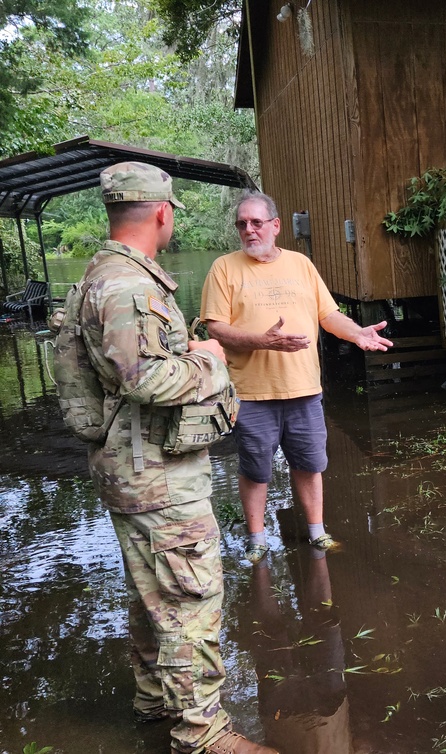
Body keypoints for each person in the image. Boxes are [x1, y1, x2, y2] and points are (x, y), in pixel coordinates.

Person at [76, 163, 277, 754]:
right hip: (157, 474)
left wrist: (182, 350)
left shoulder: (100, 274)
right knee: (191, 596)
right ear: (162, 213)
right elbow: (144, 379)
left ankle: (155, 700)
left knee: (151, 591)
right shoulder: (129, 286)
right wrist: (211, 358)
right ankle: (205, 733)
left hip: (128, 466)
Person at [200, 191, 392, 565]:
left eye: (257, 223)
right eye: (242, 224)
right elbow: (216, 328)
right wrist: (262, 341)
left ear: (275, 226)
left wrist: (356, 334)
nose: (249, 230)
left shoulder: (301, 264)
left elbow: (328, 314)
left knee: (309, 464)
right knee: (255, 470)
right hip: (252, 394)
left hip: (304, 390)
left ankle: (317, 533)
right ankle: (256, 540)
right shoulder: (224, 268)